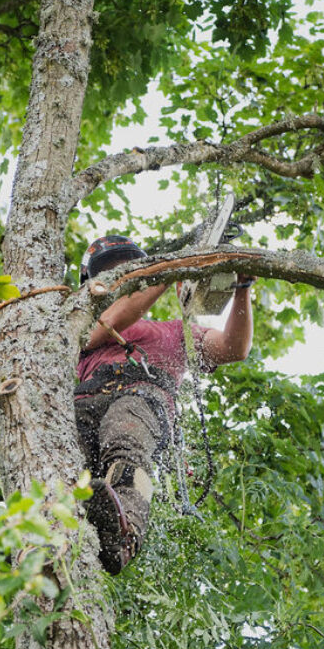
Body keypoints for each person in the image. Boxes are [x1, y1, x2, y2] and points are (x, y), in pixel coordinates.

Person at [76, 234, 254, 574]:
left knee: (127, 448)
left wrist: (242, 287)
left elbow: (234, 348)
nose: (122, 279)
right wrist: (172, 269)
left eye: (129, 271)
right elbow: (113, 320)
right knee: (69, 469)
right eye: (112, 274)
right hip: (84, 401)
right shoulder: (80, 325)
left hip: (141, 396)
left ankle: (123, 532)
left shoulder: (174, 332)